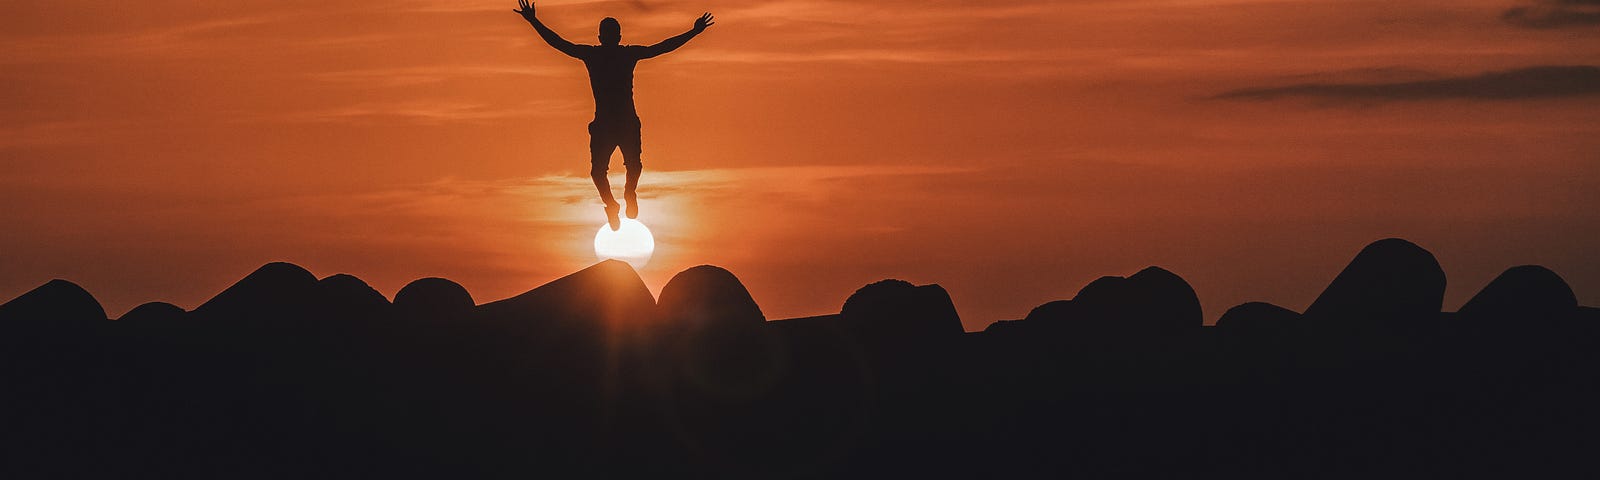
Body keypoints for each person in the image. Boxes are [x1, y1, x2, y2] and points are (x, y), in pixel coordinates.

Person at [514, 0, 714, 230]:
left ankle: (628, 194)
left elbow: (662, 47)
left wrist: (533, 21)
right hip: (609, 124)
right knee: (605, 171)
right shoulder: (603, 55)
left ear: (610, 38)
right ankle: (612, 205)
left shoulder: (615, 54)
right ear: (607, 38)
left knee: (628, 167)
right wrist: (534, 21)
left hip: (621, 123)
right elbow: (559, 43)